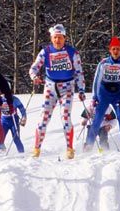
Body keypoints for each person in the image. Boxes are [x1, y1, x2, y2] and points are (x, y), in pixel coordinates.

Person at [29, 24, 85, 159]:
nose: (57, 41)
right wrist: (35, 77)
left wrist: (81, 89)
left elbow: (79, 72)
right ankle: (36, 149)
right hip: (50, 87)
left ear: (65, 38)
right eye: (55, 38)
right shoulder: (46, 52)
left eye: (60, 38)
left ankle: (70, 149)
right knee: (44, 118)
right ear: (51, 38)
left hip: (67, 88)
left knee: (65, 117)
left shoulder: (72, 52)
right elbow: (33, 68)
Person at [84, 36, 120, 151]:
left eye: (118, 49)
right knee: (98, 117)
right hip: (104, 93)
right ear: (110, 50)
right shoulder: (103, 63)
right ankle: (89, 144)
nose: (116, 52)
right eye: (113, 49)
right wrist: (95, 96)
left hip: (118, 94)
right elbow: (97, 80)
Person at [0, 89, 27, 153]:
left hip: (14, 121)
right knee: (1, 139)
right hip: (4, 121)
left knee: (16, 138)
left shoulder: (15, 99)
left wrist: (24, 117)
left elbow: (22, 109)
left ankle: (21, 154)